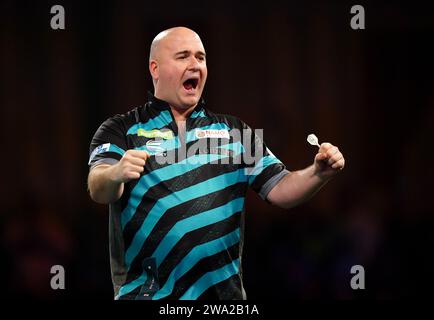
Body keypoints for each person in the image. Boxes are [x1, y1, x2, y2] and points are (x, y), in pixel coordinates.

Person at [87, 26, 345, 300]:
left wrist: (318, 172)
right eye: (183, 56)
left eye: (200, 57)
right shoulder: (121, 129)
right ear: (155, 68)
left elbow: (282, 189)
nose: (194, 64)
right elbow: (98, 187)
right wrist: (116, 173)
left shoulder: (235, 132)